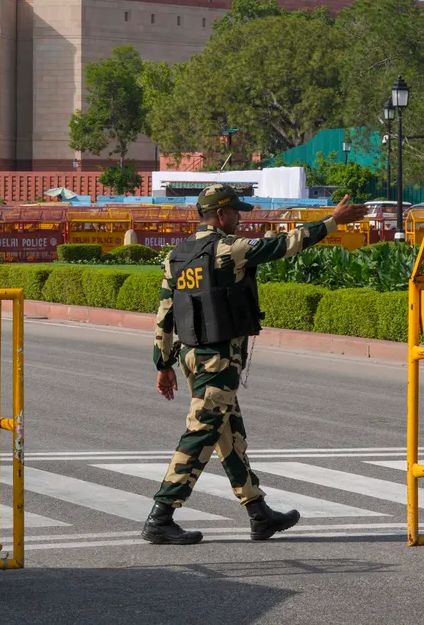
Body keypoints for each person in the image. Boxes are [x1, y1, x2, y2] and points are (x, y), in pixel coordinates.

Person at [142, 185, 368, 545]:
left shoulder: (177, 255)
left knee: (229, 436)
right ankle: (161, 514)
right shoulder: (227, 250)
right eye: (235, 212)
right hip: (218, 359)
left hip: (192, 356)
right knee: (201, 432)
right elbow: (283, 245)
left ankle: (258, 513)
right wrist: (331, 222)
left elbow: (165, 313)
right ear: (220, 215)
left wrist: (163, 363)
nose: (239, 219)